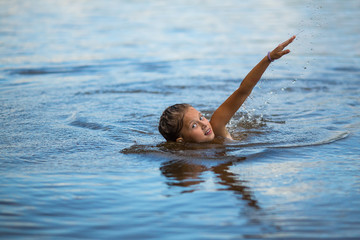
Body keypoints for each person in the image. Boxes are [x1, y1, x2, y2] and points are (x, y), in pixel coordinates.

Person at [159, 36, 296, 143]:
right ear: (181, 141)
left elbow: (242, 91)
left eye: (201, 117)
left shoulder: (217, 127)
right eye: (194, 125)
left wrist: (268, 58)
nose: (204, 124)